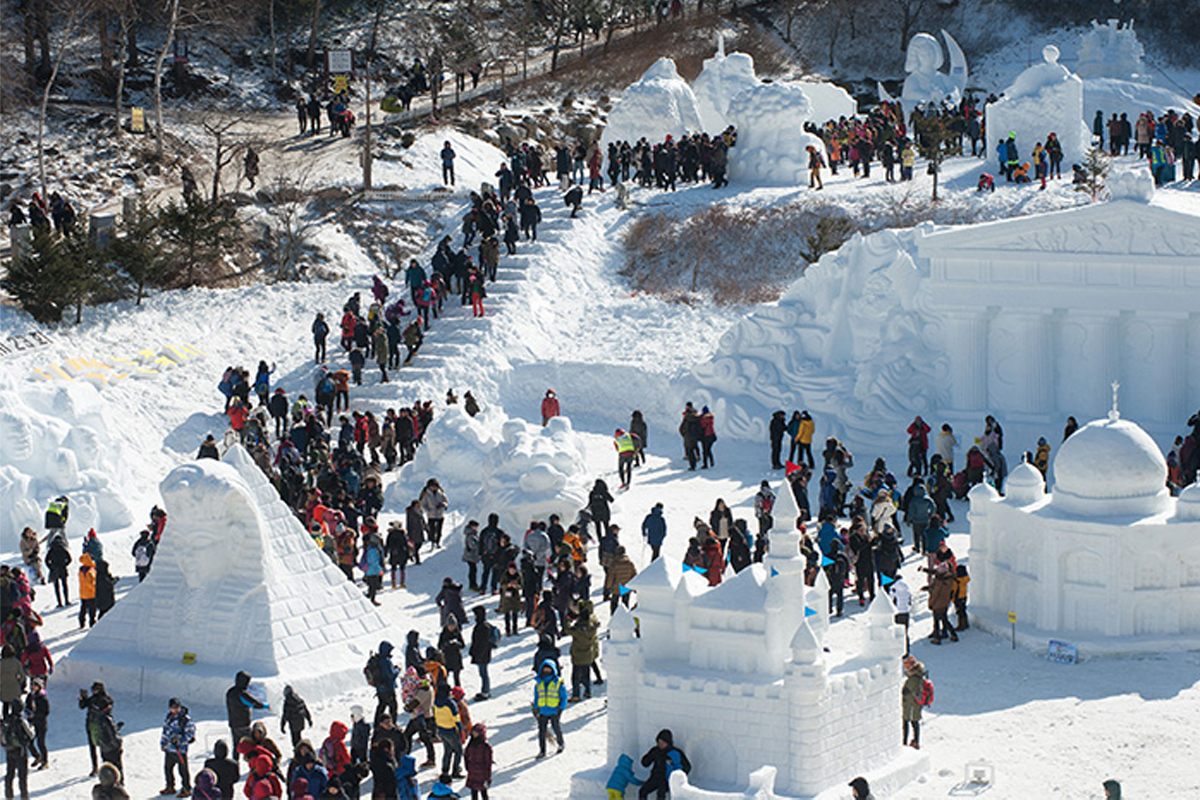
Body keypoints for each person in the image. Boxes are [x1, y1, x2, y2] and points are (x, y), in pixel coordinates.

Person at [638, 729, 690, 800]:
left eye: (663, 742)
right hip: (655, 777)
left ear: (668, 743)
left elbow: (687, 767)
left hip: (667, 779)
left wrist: (677, 777)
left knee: (661, 793)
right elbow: (645, 763)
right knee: (642, 791)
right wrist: (647, 758)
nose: (660, 744)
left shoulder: (675, 752)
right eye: (659, 742)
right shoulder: (656, 751)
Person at [225, 671, 265, 762]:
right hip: (243, 723)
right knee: (251, 744)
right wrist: (264, 705)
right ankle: (254, 763)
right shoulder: (241, 694)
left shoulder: (230, 692)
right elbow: (254, 704)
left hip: (233, 723)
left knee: (236, 745)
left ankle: (235, 764)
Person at [160, 697, 196, 796]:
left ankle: (186, 788)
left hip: (180, 750)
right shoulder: (169, 718)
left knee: (183, 770)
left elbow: (191, 734)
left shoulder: (184, 720)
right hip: (169, 749)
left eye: (177, 707)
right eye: (173, 707)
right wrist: (163, 744)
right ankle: (170, 786)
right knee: (168, 769)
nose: (175, 710)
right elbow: (165, 732)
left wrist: (180, 740)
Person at [532, 659, 567, 758]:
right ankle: (542, 750)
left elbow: (563, 696)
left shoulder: (558, 683)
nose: (547, 671)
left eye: (549, 669)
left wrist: (561, 708)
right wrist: (536, 707)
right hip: (543, 711)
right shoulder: (539, 683)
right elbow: (537, 696)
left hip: (554, 710)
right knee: (542, 732)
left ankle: (561, 743)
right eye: (545, 669)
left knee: (556, 728)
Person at [2, 699, 33, 800]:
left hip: (9, 749)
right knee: (22, 775)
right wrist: (32, 728)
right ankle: (24, 796)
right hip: (20, 750)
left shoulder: (7, 719)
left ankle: (9, 795)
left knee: (9, 773)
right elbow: (30, 735)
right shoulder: (21, 721)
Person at [468, 606, 496, 700]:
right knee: (483, 673)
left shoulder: (483, 627)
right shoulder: (484, 625)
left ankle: (485, 692)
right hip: (483, 654)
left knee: (483, 674)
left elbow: (481, 643)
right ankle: (486, 691)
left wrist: (477, 654)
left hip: (482, 655)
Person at [370, 641, 400, 725]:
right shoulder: (386, 661)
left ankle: (377, 724)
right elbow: (391, 674)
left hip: (380, 689)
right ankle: (393, 724)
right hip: (388, 688)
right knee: (393, 708)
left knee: (381, 706)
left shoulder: (378, 659)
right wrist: (397, 670)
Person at [901, 655, 927, 749]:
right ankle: (915, 741)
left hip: (911, 705)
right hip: (915, 704)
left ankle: (905, 741)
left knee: (907, 722)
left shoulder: (913, 679)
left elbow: (906, 692)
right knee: (914, 722)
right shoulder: (918, 676)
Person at [23, 678, 48, 771]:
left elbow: (46, 711)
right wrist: (28, 713)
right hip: (32, 723)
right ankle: (37, 756)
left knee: (41, 742)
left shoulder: (42, 698)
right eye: (32, 685)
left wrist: (35, 715)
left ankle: (45, 761)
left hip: (41, 723)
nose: (33, 687)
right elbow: (27, 706)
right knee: (29, 742)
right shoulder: (30, 696)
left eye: (35, 685)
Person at [463, 724, 492, 800]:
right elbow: (466, 755)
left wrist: (488, 776)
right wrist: (468, 766)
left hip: (482, 772)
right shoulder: (471, 743)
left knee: (483, 792)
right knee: (474, 792)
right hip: (472, 771)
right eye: (473, 732)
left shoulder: (486, 747)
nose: (474, 734)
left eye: (476, 732)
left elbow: (488, 762)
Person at [280, 685, 312, 752]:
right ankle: (302, 751)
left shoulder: (287, 702)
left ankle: (299, 753)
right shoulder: (299, 699)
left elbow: (285, 714)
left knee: (295, 740)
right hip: (300, 722)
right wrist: (309, 719)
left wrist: (282, 725)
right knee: (299, 736)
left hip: (293, 724)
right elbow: (305, 710)